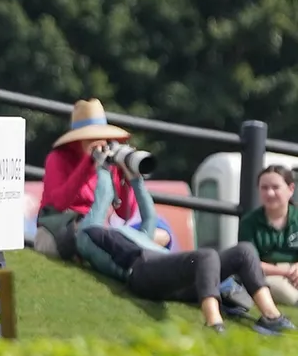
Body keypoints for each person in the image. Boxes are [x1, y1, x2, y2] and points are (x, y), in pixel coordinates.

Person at [76, 149, 292, 335]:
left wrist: (134, 176)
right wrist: (103, 167)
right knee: (206, 255)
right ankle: (213, 322)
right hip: (141, 272)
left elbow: (150, 215)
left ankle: (271, 317)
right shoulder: (89, 233)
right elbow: (101, 200)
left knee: (244, 251)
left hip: (172, 274)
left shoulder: (135, 233)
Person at [36, 98, 173, 259]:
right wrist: (87, 165)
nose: (98, 142)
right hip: (62, 229)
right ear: (77, 140)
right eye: (90, 138)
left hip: (99, 227)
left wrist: (127, 176)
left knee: (163, 233)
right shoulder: (58, 158)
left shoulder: (109, 160)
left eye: (101, 136)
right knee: (105, 238)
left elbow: (124, 213)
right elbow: (59, 202)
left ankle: (130, 250)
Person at [237, 165, 298, 305]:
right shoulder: (249, 222)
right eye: (264, 188)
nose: (270, 193)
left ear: (291, 189)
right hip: (269, 276)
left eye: (276, 187)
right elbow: (249, 263)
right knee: (287, 294)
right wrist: (285, 272)